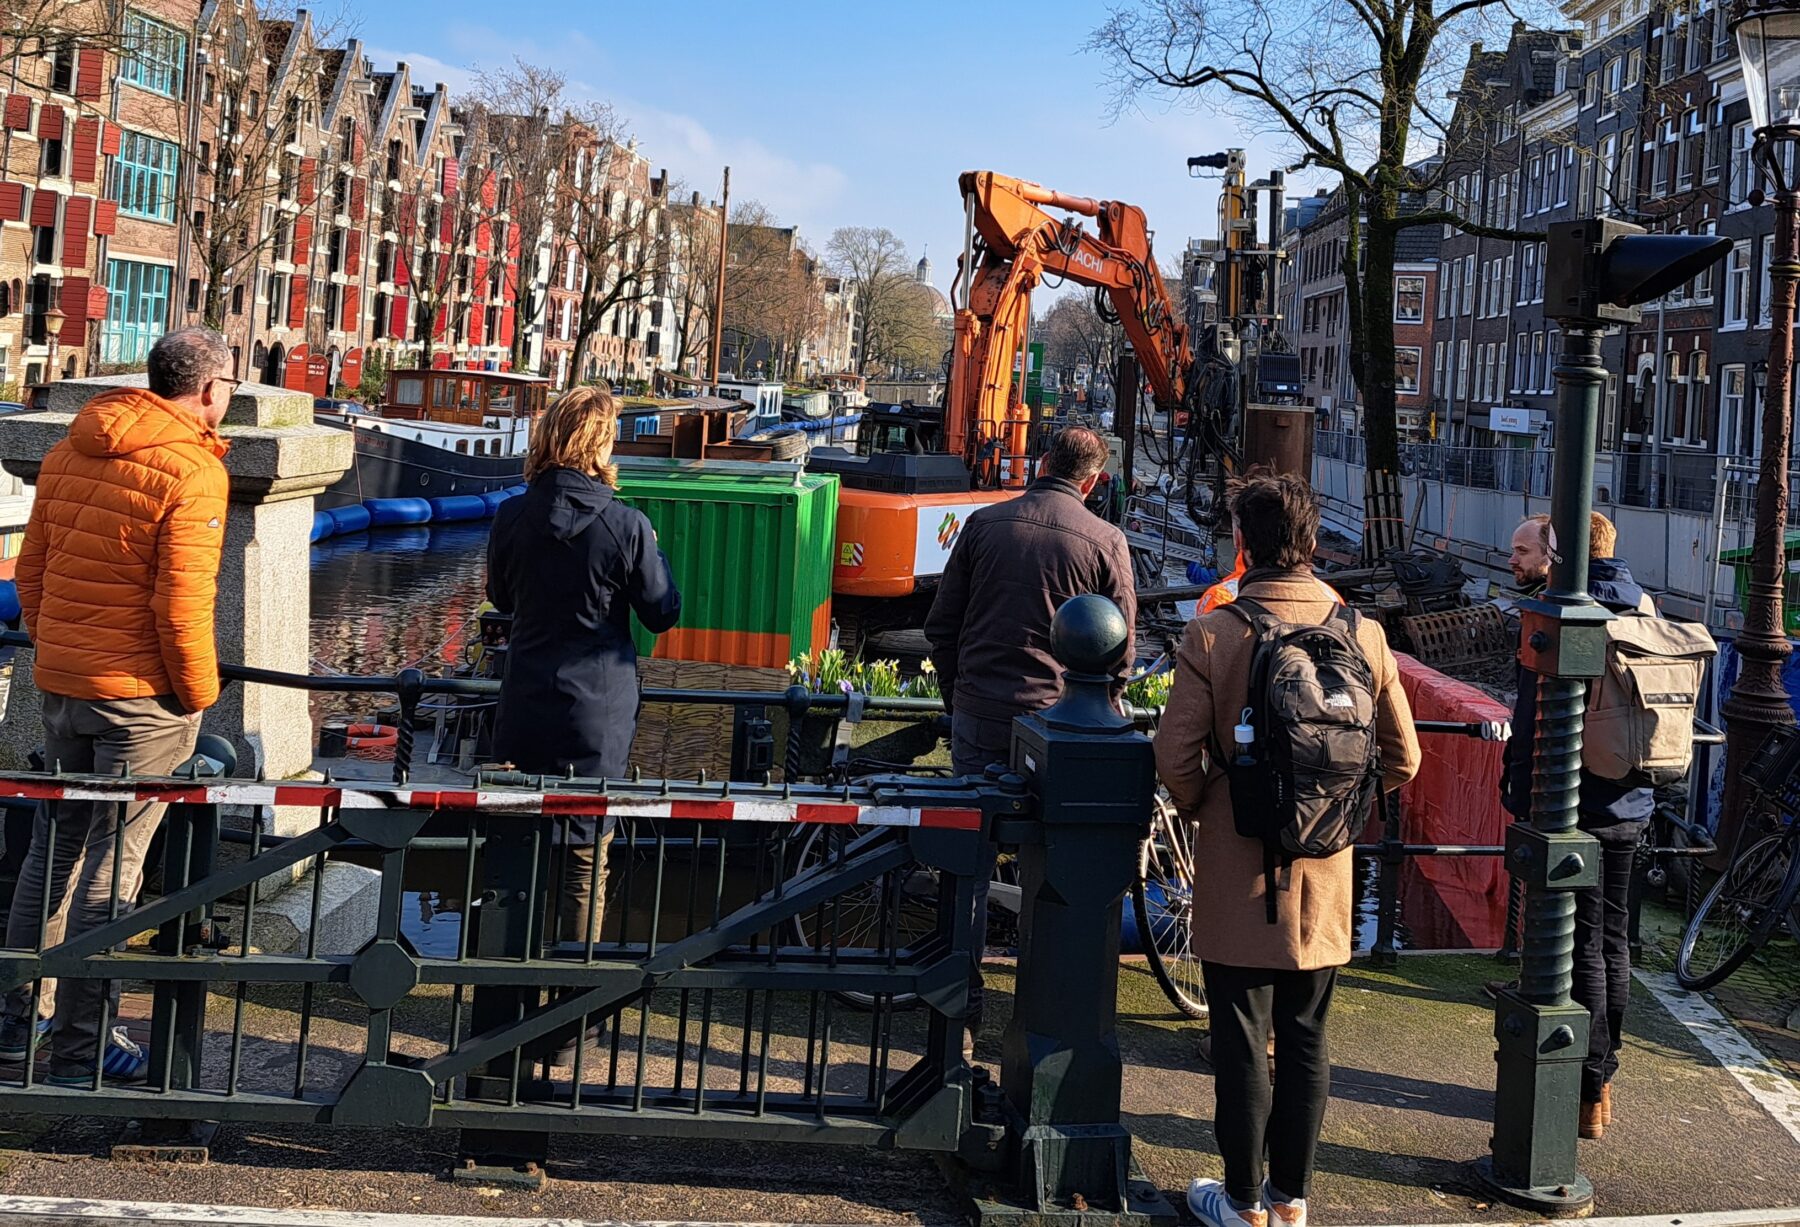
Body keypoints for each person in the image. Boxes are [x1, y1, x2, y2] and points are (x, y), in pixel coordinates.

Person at [1156, 472, 1420, 1227]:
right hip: (1326, 872)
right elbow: (1402, 758)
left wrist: (1214, 803)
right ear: (1312, 543)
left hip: (1239, 866)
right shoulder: (1361, 632)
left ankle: (1239, 1202)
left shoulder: (1215, 631)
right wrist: (1338, 810)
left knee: (1239, 1037)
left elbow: (1176, 757)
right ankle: (1291, 1198)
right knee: (1308, 1034)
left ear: (1244, 544)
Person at [0, 328, 235, 1086]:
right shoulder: (193, 469)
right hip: (139, 701)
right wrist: (199, 697)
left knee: (52, 850)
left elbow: (30, 570)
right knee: (115, 863)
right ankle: (81, 1043)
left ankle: (11, 1022)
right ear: (209, 390)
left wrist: (60, 649)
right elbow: (181, 608)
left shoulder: (75, 447)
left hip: (64, 684)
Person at [923, 425, 1136, 1056]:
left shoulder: (986, 525)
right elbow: (1120, 649)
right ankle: (1043, 1018)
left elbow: (942, 626)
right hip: (1060, 733)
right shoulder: (1106, 540)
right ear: (1093, 480)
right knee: (1057, 868)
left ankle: (959, 1015)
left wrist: (958, 694)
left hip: (981, 715)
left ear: (1041, 462)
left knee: (967, 863)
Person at [486, 386, 680, 1050]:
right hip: (595, 711)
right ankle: (568, 1015)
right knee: (581, 859)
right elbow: (661, 610)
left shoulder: (511, 515)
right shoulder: (626, 525)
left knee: (515, 853)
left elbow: (498, 593)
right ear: (602, 445)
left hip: (524, 701)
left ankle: (503, 1003)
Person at [1499, 509, 1652, 1141]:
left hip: (1576, 804)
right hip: (1633, 799)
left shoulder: (1564, 613)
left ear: (1560, 557)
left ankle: (1583, 1086)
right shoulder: (1643, 603)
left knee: (1576, 944)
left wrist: (1517, 784)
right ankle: (1603, 1080)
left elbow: (1535, 716)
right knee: (1612, 939)